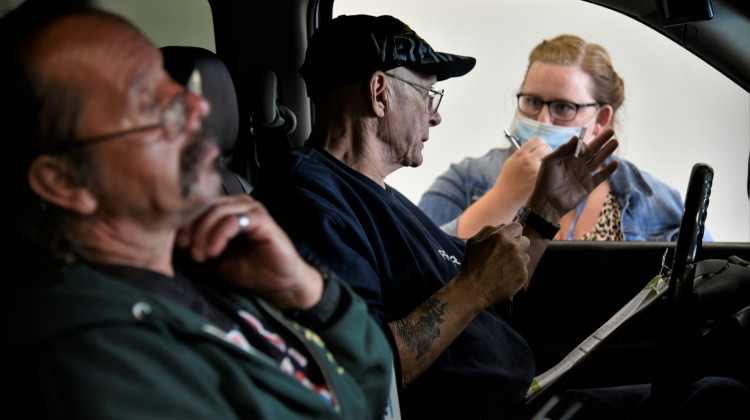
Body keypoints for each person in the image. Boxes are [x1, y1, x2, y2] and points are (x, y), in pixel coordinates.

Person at [251, 14, 750, 420]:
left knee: (715, 393)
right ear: (380, 92)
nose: (435, 115)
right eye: (428, 95)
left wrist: (547, 208)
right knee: (719, 402)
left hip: (526, 396)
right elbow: (359, 369)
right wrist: (471, 287)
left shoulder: (380, 196)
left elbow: (489, 292)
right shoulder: (310, 200)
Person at [0, 2, 392, 419]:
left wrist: (309, 290)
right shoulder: (93, 364)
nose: (199, 108)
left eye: (175, 82)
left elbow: (370, 391)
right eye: (150, 103)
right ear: (67, 181)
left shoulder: (208, 265)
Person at [418, 34, 693, 241]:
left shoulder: (653, 200)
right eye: (532, 101)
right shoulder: (465, 180)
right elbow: (415, 273)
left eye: (563, 107)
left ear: (601, 119)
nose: (542, 120)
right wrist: (504, 197)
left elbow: (709, 280)